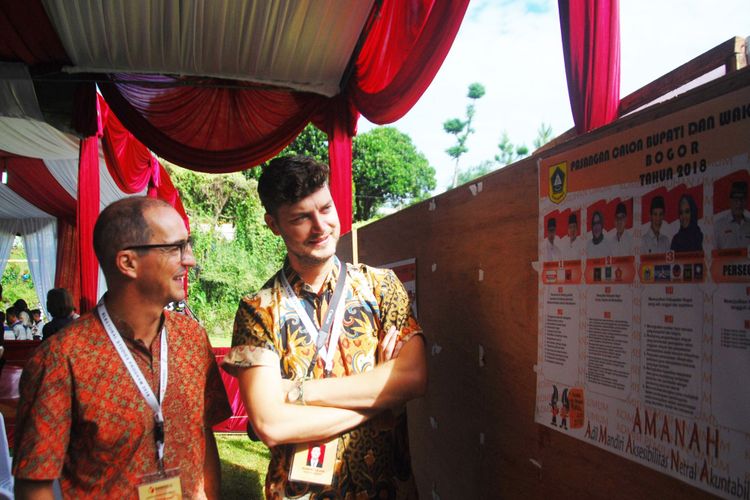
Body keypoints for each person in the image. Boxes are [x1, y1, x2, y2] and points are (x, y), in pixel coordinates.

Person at [222, 156, 427, 498]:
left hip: (386, 487)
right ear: (273, 225)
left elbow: (413, 377)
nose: (321, 227)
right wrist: (380, 401)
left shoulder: (382, 288)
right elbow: (271, 424)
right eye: (301, 217)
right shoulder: (258, 311)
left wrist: (295, 393)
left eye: (326, 208)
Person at [13, 196, 231, 499]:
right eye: (175, 248)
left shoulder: (191, 338)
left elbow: (203, 433)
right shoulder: (61, 358)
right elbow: (34, 483)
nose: (190, 259)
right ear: (128, 262)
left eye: (188, 244)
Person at [715, 181, 750, 249]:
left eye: (742, 200)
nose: (739, 204)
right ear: (730, 201)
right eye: (736, 200)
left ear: (746, 201)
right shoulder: (719, 226)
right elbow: (713, 254)